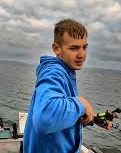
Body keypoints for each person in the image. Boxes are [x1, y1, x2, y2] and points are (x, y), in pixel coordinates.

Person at [23, 19, 94, 153]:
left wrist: (90, 118)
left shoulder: (67, 72)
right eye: (74, 48)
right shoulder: (54, 72)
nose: (82, 55)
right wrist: (80, 103)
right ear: (56, 49)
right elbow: (45, 118)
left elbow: (62, 115)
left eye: (84, 47)